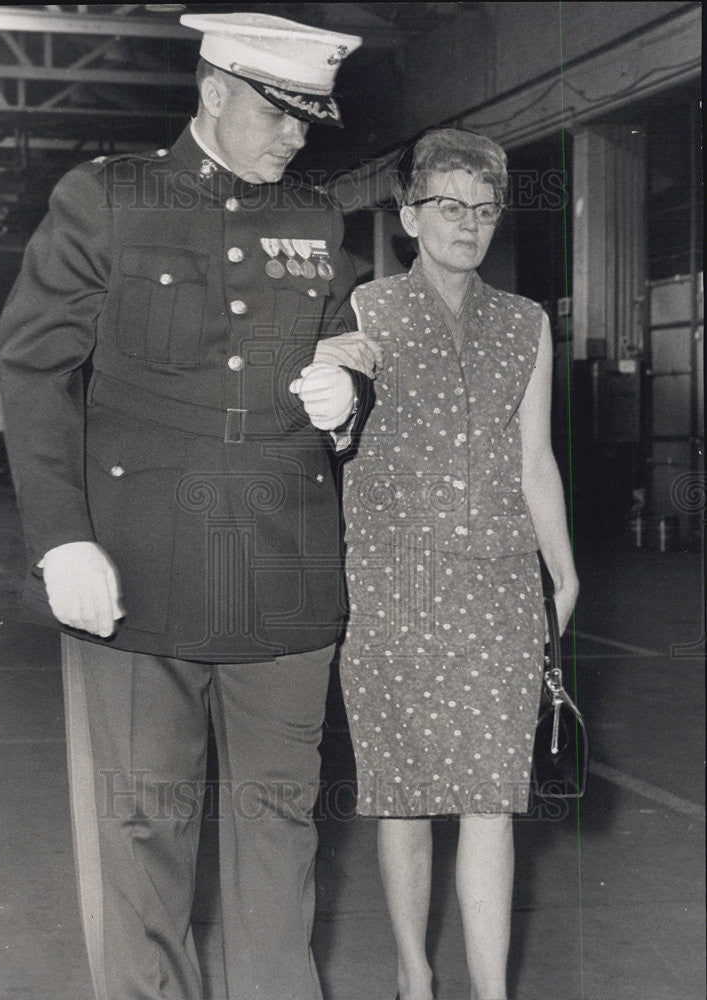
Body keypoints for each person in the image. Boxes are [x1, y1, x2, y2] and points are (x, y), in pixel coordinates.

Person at [0, 13, 377, 1000]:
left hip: (285, 577)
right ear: (214, 92)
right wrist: (64, 536)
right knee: (145, 836)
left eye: (307, 121)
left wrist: (348, 400)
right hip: (142, 573)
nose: (296, 138)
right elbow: (34, 369)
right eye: (279, 114)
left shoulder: (317, 218)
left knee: (279, 836)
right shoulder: (106, 199)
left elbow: (338, 339)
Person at [338, 128, 580, 1000]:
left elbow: (535, 458)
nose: (467, 226)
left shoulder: (525, 323)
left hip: (497, 585)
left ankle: (490, 993)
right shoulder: (365, 310)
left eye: (483, 211)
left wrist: (564, 568)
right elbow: (331, 426)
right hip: (391, 585)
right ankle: (413, 975)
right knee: (401, 794)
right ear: (410, 216)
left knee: (491, 796)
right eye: (449, 208)